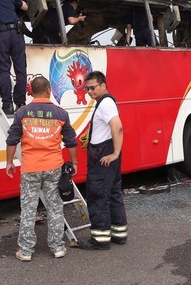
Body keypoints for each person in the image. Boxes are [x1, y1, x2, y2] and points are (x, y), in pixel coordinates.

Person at [5, 76, 79, 262]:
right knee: (55, 208)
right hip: (53, 167)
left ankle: (26, 251)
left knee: (28, 209)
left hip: (30, 168)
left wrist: (9, 162)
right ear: (48, 90)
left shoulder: (22, 113)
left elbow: (12, 140)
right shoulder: (60, 113)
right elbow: (71, 141)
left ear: (31, 91)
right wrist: (74, 163)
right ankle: (57, 247)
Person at [79, 70, 128, 250]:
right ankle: (119, 234)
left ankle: (100, 240)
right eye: (87, 88)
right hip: (107, 155)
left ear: (103, 86)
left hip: (102, 157)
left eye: (93, 88)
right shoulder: (106, 102)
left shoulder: (105, 103)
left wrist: (115, 153)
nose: (89, 92)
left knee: (98, 195)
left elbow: (118, 127)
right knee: (114, 194)